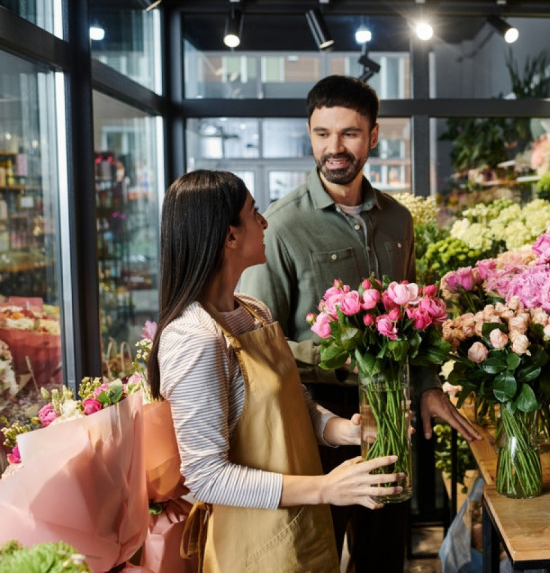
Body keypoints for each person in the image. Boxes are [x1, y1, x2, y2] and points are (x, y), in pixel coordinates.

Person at [240, 75, 480, 572]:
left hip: (392, 409)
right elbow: (264, 345)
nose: (334, 147)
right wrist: (347, 354)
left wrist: (428, 387)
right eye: (321, 133)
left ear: (373, 136)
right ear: (309, 134)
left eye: (349, 133)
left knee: (384, 553)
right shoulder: (282, 225)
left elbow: (416, 320)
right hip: (320, 418)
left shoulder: (397, 220)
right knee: (317, 554)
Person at [146, 169, 404, 573]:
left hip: (303, 527)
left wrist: (342, 430)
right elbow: (205, 475)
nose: (265, 221)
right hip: (254, 545)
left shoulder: (253, 311)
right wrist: (325, 488)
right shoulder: (194, 337)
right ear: (230, 236)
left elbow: (293, 403)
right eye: (254, 212)